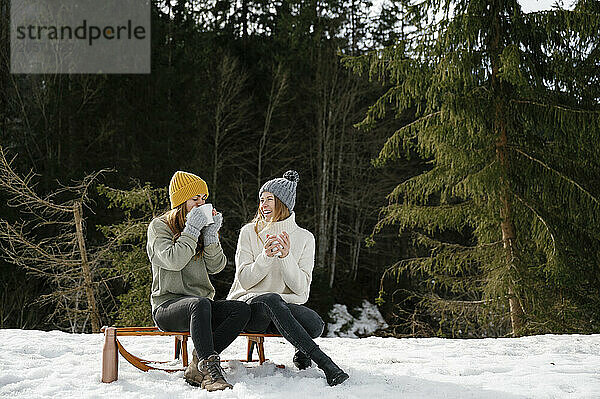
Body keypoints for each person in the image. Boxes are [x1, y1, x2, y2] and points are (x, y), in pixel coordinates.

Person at [227, 170, 349, 386]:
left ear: (282, 202)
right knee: (271, 299)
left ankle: (302, 349)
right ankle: (326, 364)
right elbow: (244, 281)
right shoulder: (248, 232)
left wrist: (286, 257)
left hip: (283, 310)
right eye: (261, 199)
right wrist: (265, 257)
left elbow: (301, 290)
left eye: (269, 199)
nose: (263, 204)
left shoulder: (305, 238)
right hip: (251, 310)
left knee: (315, 324)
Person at [147, 171, 250, 391]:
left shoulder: (201, 229)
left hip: (201, 308)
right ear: (180, 202)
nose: (200, 203)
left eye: (203, 198)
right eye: (195, 199)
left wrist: (211, 235)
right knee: (199, 303)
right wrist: (191, 231)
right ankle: (211, 373)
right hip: (167, 307)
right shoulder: (159, 227)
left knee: (241, 310)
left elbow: (217, 266)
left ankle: (199, 361)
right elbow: (174, 261)